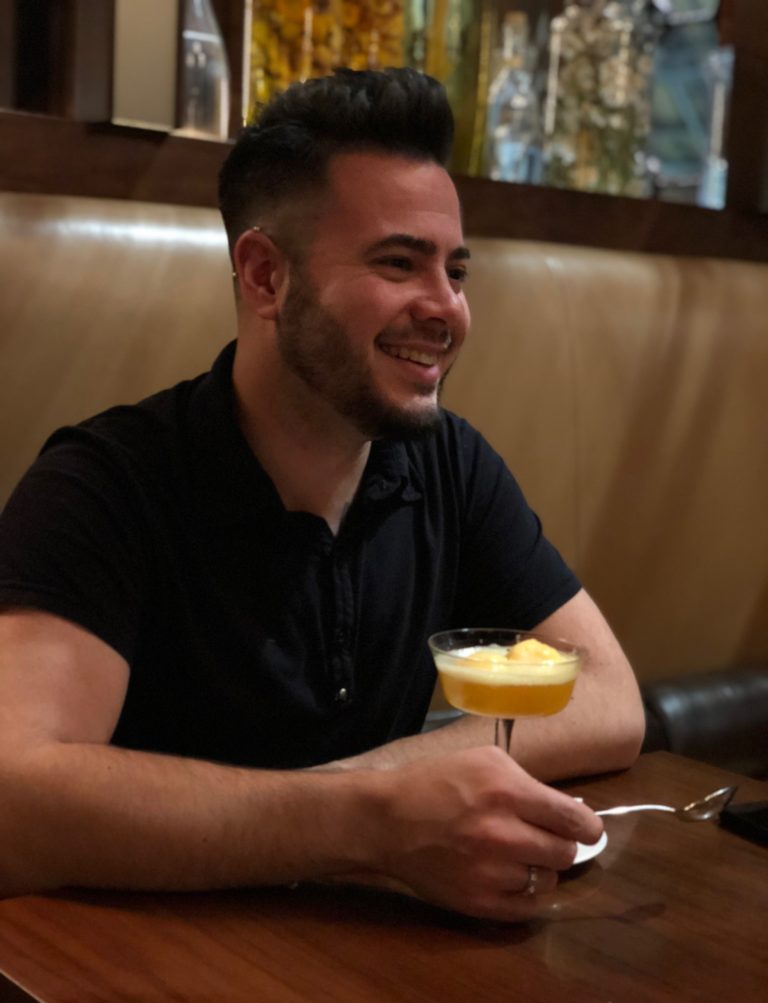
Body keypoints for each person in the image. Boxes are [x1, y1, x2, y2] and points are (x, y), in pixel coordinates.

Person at [0, 68, 643, 919]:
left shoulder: (447, 463)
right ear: (265, 277)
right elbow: (13, 795)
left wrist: (379, 790)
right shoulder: (108, 483)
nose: (447, 308)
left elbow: (610, 697)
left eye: (455, 270)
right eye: (398, 262)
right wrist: (371, 823)